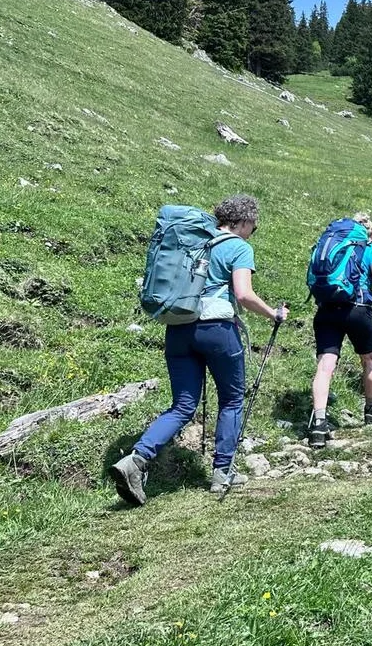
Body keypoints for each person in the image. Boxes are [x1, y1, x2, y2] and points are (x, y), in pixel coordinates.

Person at [110, 195, 289, 506]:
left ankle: (135, 461)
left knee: (182, 406)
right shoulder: (238, 247)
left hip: (179, 327)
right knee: (232, 399)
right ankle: (222, 474)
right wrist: (273, 313)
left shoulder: (195, 241)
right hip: (217, 329)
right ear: (243, 222)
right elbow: (244, 295)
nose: (253, 230)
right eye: (253, 226)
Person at [308, 214, 372, 449]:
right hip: (358, 309)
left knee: (325, 366)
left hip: (326, 309)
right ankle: (371, 409)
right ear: (370, 234)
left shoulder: (331, 244)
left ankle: (319, 422)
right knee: (369, 359)